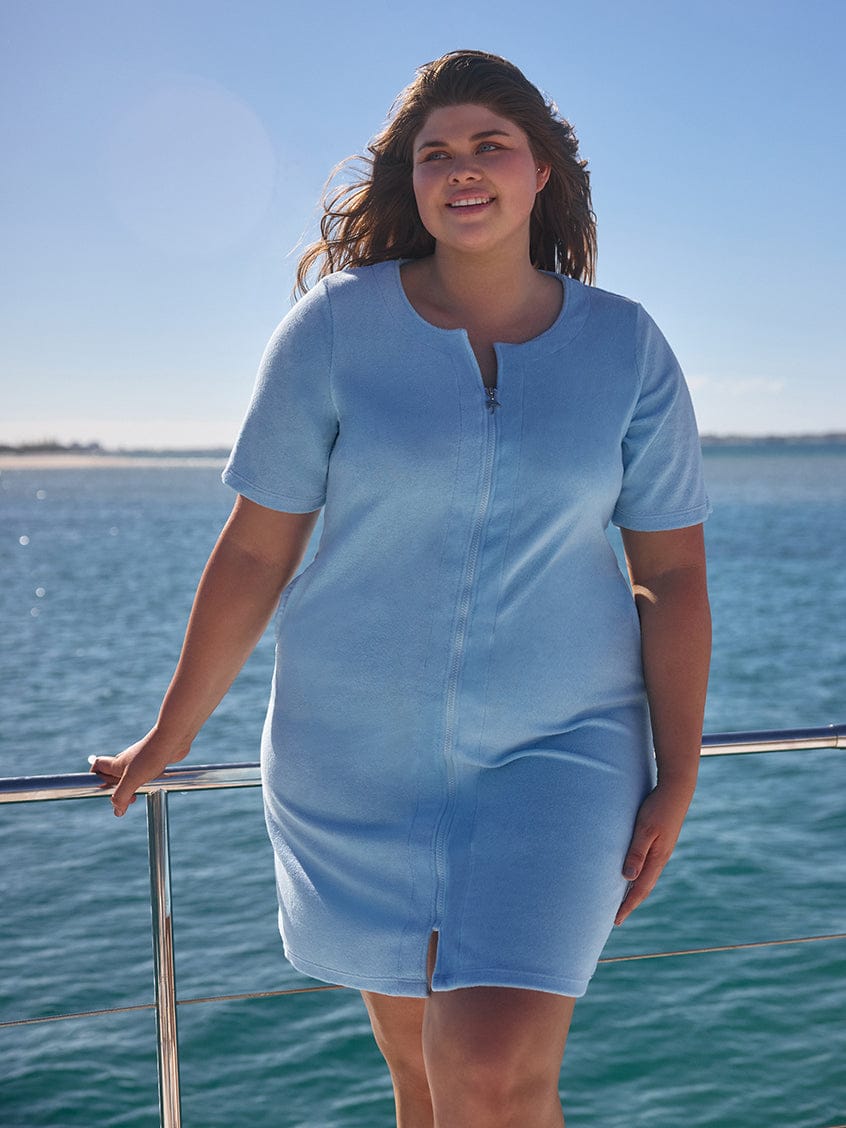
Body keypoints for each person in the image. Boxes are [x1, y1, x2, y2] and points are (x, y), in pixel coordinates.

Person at [91, 49, 712, 1128]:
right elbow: (254, 552)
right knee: (425, 1080)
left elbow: (672, 574)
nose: (461, 170)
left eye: (489, 147)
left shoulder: (626, 348)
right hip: (352, 762)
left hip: (560, 752)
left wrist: (679, 771)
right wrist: (172, 731)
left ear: (542, 175)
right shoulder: (333, 330)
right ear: (411, 184)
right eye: (437, 154)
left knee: (486, 1066)